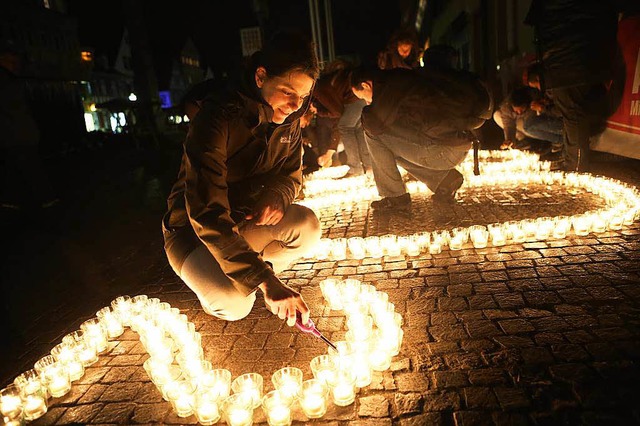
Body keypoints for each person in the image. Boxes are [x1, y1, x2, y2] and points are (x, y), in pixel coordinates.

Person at [162, 30, 322, 327]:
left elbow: (291, 177)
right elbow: (206, 212)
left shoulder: (288, 122)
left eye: (301, 97)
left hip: (245, 221)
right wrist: (266, 282)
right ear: (261, 76)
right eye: (288, 92)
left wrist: (276, 196)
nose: (294, 105)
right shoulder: (217, 118)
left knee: (307, 226)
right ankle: (226, 283)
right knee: (235, 304)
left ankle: (250, 272)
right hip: (194, 233)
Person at [350, 66, 493, 210]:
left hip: (442, 150)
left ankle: (395, 197)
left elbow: (373, 126)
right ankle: (444, 180)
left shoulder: (389, 89)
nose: (365, 100)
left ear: (365, 85)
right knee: (388, 151)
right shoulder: (400, 77)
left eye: (363, 97)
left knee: (373, 136)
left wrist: (368, 108)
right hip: (456, 146)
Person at [524, 0, 622, 171]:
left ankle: (575, 163)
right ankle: (572, 159)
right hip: (588, 57)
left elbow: (537, 20)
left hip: (565, 62)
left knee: (573, 116)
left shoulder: (556, 10)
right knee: (575, 114)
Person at [0, 39, 59, 218]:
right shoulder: (9, 81)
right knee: (27, 169)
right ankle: (44, 202)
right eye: (11, 62)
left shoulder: (9, 81)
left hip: (14, 135)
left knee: (21, 168)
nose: (15, 66)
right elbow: (17, 109)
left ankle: (15, 203)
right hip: (17, 134)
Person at [311, 60, 371, 176]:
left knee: (345, 127)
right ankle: (368, 166)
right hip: (360, 98)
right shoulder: (327, 82)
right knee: (358, 130)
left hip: (354, 98)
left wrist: (319, 110)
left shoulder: (318, 89)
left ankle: (355, 168)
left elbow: (337, 112)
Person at [493, 85, 564, 153]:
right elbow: (509, 124)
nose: (519, 112)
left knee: (528, 126)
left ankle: (558, 140)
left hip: (536, 123)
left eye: (521, 109)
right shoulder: (506, 106)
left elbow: (544, 116)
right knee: (497, 115)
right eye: (516, 111)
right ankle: (523, 140)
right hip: (525, 123)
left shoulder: (534, 99)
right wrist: (509, 139)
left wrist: (541, 108)